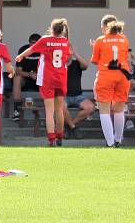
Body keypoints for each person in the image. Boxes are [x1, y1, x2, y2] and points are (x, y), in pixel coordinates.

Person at [17, 18, 70, 147]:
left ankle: (51, 138)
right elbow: (67, 58)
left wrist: (20, 56)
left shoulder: (46, 40)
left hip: (48, 78)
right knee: (59, 109)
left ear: (51, 29)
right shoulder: (65, 41)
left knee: (49, 110)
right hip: (61, 77)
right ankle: (60, 137)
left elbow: (31, 50)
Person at [90, 15, 131, 147]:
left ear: (104, 27)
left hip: (106, 75)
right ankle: (118, 140)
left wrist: (95, 47)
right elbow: (124, 56)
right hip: (122, 76)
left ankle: (110, 143)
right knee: (119, 110)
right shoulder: (124, 39)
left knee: (104, 110)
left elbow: (95, 60)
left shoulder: (100, 40)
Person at [63, 47, 95, 140]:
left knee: (90, 108)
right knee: (61, 107)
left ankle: (69, 126)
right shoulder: (58, 64)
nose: (67, 53)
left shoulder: (76, 63)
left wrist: (75, 53)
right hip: (64, 96)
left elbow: (85, 65)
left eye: (68, 51)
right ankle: (73, 127)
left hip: (78, 95)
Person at [11, 33, 41, 120]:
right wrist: (29, 75)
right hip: (27, 79)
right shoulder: (23, 50)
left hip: (40, 79)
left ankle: (49, 112)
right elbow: (18, 71)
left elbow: (49, 70)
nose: (34, 45)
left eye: (36, 43)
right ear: (29, 43)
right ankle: (16, 111)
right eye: (32, 43)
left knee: (51, 78)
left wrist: (39, 76)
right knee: (16, 78)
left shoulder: (44, 50)